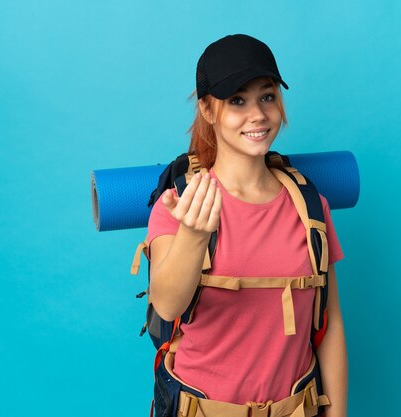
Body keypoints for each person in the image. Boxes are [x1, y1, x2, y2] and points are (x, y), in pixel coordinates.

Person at [146, 34, 348, 417]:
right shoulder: (181, 204)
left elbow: (330, 324)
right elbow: (168, 306)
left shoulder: (311, 208)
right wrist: (192, 234)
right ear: (207, 110)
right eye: (237, 100)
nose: (257, 114)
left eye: (267, 96)